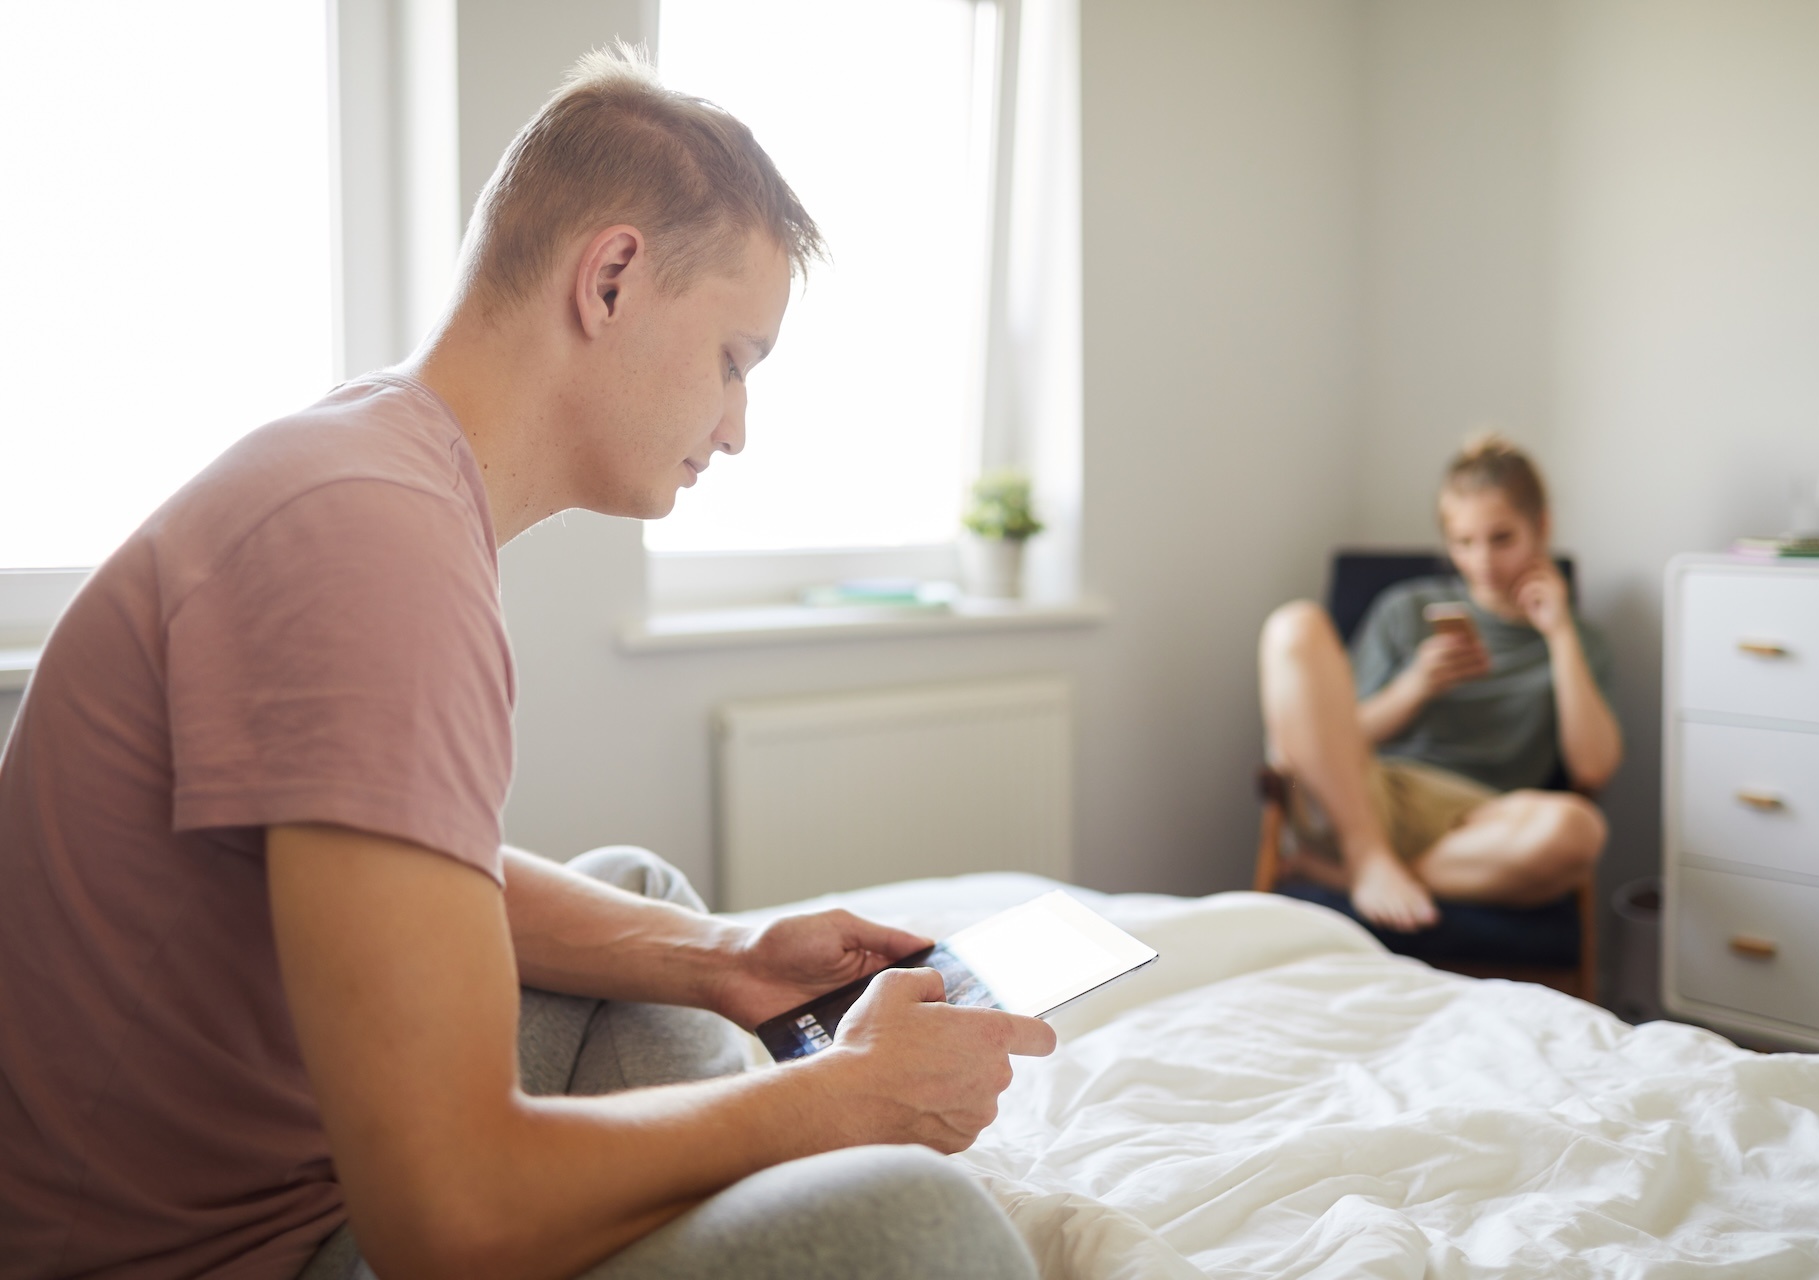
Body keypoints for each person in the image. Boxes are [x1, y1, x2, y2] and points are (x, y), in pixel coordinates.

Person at [0, 46, 1052, 1280]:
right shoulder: (372, 547)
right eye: (733, 359)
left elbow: (390, 864)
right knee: (925, 1229)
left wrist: (732, 955)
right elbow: (445, 1219)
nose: (736, 427)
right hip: (215, 1254)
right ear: (610, 278)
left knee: (653, 901)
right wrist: (847, 1103)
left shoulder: (362, 470)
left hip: (265, 1176)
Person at [1256, 433, 1621, 933]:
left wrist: (1559, 635)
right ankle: (1368, 859)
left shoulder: (1579, 641)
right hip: (1367, 794)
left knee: (1581, 830)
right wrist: (1415, 688)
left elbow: (1593, 770)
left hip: (1479, 825)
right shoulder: (1405, 609)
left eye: (1502, 539)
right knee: (1293, 627)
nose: (1483, 563)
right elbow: (1329, 739)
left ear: (1541, 527)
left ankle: (1354, 877)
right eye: (1464, 543)